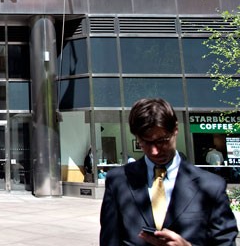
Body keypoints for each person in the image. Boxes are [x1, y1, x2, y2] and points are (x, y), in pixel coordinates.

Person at [100, 98, 238, 245]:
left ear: (175, 129)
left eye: (162, 141)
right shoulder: (118, 181)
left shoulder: (210, 186)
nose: (154, 151)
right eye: (145, 142)